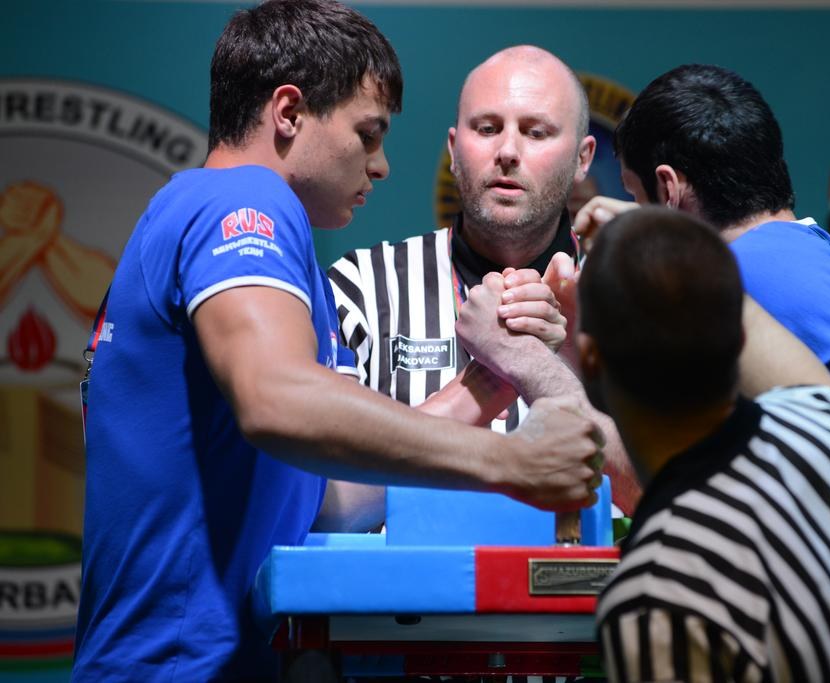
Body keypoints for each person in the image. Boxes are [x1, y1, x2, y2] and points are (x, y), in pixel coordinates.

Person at [72, 4, 604, 681]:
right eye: (368, 133)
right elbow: (276, 396)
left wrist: (491, 379)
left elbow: (329, 497)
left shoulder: (265, 246)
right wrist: (512, 460)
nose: (380, 166)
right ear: (289, 113)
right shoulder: (241, 202)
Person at [574, 64, 830, 682]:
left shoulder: (750, 278)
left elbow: (656, 484)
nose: (631, 212)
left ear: (668, 188)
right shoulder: (805, 251)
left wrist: (537, 360)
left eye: (633, 195)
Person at [582, 206, 830, 682]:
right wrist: (673, 246)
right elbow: (749, 326)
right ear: (740, 338)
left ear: (590, 358)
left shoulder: (655, 592)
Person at [324, 45, 641, 529]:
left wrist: (536, 366)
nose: (508, 152)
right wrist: (492, 376)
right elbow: (325, 505)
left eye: (536, 132)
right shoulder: (361, 287)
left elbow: (678, 499)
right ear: (454, 151)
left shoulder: (640, 297)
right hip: (409, 579)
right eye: (487, 128)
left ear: (583, 159)